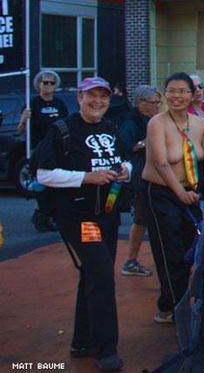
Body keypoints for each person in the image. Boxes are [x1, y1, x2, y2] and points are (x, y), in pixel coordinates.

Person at [34, 76, 130, 372]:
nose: (98, 101)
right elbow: (43, 174)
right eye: (92, 96)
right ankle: (105, 350)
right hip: (81, 217)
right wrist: (86, 177)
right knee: (101, 275)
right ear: (79, 97)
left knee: (93, 274)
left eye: (103, 96)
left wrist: (124, 170)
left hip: (108, 213)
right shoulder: (62, 129)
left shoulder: (111, 128)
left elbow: (125, 159)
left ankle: (82, 341)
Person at [143, 72, 204, 324]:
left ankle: (175, 301)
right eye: (171, 90)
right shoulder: (157, 124)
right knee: (169, 253)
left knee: (191, 250)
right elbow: (161, 162)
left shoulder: (200, 124)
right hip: (162, 194)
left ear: (192, 95)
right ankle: (173, 307)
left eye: (182, 91)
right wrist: (179, 193)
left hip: (191, 195)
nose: (177, 96)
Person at [17, 70, 69, 232]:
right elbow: (21, 130)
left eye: (51, 83)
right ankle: (43, 215)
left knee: (56, 182)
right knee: (41, 181)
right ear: (38, 84)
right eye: (45, 82)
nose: (48, 86)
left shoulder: (59, 104)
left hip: (56, 148)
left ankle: (44, 213)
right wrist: (24, 119)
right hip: (39, 147)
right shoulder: (32, 103)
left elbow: (66, 125)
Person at [117, 85, 161, 277]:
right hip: (140, 176)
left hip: (154, 175)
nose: (157, 106)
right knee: (142, 218)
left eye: (159, 102)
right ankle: (131, 260)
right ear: (141, 103)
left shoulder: (152, 119)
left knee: (150, 219)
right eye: (154, 103)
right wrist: (148, 141)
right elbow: (127, 146)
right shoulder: (130, 121)